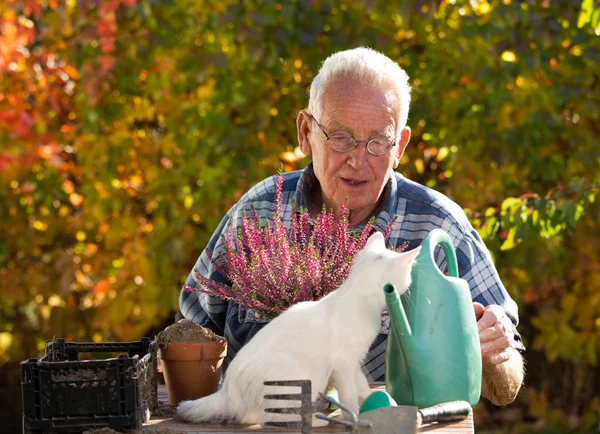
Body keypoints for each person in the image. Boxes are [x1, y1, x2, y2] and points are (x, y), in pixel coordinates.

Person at [180, 47, 525, 406]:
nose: (358, 161)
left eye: (377, 142)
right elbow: (189, 336)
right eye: (340, 137)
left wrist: (492, 348)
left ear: (400, 147)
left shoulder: (438, 226)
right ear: (305, 132)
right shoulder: (258, 214)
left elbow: (506, 389)